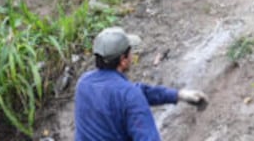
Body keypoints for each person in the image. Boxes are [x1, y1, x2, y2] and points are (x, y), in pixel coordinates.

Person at [74, 26, 208, 141]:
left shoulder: (83, 84)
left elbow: (131, 92)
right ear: (123, 60)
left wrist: (178, 95)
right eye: (130, 51)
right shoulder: (130, 96)